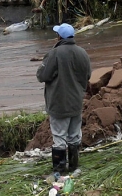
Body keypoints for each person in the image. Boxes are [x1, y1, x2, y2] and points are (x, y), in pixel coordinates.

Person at [36, 23, 91, 175]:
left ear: (59, 37)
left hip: (59, 104)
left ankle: (59, 172)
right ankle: (74, 167)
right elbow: (87, 76)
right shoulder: (82, 53)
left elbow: (42, 76)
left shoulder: (54, 53)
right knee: (74, 136)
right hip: (76, 102)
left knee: (59, 138)